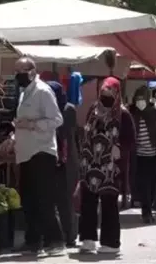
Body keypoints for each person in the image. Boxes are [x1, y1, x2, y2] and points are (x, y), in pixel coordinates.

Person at [12, 57, 65, 256]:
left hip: (41, 152)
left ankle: (56, 241)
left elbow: (57, 119)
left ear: (32, 71)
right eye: (15, 71)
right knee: (29, 199)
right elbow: (22, 122)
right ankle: (34, 241)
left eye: (20, 71)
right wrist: (13, 136)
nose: (17, 75)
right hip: (26, 152)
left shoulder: (43, 91)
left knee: (44, 199)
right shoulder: (24, 93)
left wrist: (33, 125)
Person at [78, 77, 135, 254]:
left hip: (110, 167)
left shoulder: (123, 114)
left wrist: (120, 149)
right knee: (88, 201)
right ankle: (88, 239)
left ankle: (111, 243)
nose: (106, 95)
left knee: (109, 202)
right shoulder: (93, 110)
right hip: (90, 164)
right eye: (103, 92)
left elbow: (130, 140)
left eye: (110, 92)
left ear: (117, 93)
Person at [46, 81, 78, 248]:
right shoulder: (52, 109)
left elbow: (63, 131)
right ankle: (58, 235)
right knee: (53, 199)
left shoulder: (68, 109)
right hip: (53, 159)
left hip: (65, 160)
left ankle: (70, 235)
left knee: (65, 200)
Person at [129, 86, 156, 223]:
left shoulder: (154, 113)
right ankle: (146, 212)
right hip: (139, 156)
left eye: (142, 99)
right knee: (143, 184)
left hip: (154, 155)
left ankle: (149, 207)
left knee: (152, 184)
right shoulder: (132, 114)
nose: (140, 102)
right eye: (138, 99)